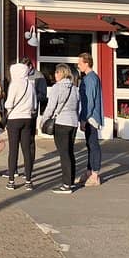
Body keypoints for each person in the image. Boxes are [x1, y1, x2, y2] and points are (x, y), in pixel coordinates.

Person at [41, 63, 80, 194]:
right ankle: (71, 181)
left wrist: (44, 120)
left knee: (63, 154)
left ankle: (66, 185)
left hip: (62, 122)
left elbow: (51, 106)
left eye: (57, 72)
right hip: (73, 122)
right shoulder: (75, 88)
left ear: (61, 73)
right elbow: (78, 105)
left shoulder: (57, 88)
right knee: (70, 152)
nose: (55, 75)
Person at [3, 62, 37, 190]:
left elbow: (8, 104)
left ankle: (11, 180)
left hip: (14, 119)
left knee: (13, 150)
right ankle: (28, 180)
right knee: (26, 150)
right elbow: (34, 104)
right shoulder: (30, 84)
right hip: (27, 118)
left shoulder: (14, 84)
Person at [77, 53, 103, 187]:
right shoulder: (88, 78)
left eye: (80, 63)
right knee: (89, 145)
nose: (78, 65)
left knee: (93, 145)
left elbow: (90, 101)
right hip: (90, 116)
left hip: (91, 117)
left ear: (87, 63)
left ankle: (95, 174)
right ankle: (89, 172)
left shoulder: (91, 79)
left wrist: (83, 118)